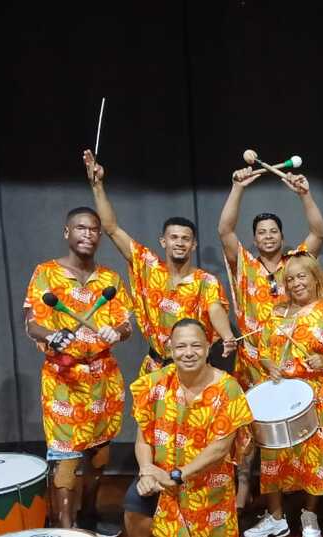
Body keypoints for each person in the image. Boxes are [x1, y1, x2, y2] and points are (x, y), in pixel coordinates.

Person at [218, 164, 323, 509]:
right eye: (262, 232)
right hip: (252, 356)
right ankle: (246, 483)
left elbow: (318, 233)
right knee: (249, 425)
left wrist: (304, 194)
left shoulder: (295, 263)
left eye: (273, 231)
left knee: (297, 419)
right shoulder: (244, 264)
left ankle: (299, 491)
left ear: (282, 236)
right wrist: (237, 187)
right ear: (255, 239)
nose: (268, 236)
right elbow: (224, 230)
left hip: (290, 358)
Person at [23, 207, 133, 537]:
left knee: (99, 453)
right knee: (66, 455)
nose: (87, 234)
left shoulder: (110, 279)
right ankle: (66, 528)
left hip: (103, 379)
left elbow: (125, 322)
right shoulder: (46, 273)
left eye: (94, 230)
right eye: (80, 228)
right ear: (67, 233)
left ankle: (89, 513)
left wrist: (120, 332)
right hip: (64, 379)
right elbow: (32, 322)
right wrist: (51, 335)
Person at [124, 319, 254, 537]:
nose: (188, 352)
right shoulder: (154, 384)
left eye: (196, 345)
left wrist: (178, 475)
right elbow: (143, 437)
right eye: (181, 346)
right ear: (170, 350)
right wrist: (147, 470)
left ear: (208, 348)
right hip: (159, 472)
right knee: (135, 500)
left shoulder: (228, 389)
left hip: (205, 480)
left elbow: (219, 449)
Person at [83, 149, 235, 376]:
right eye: (174, 238)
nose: (180, 243)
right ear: (163, 241)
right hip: (155, 370)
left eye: (186, 239)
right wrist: (97, 186)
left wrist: (227, 336)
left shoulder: (206, 281)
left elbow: (215, 308)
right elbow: (111, 228)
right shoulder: (148, 265)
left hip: (193, 371)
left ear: (193, 245)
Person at [242, 253, 323, 537]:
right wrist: (270, 366)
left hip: (318, 395)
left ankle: (309, 512)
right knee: (274, 455)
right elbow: (264, 352)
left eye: (301, 276)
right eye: (290, 278)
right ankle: (277, 518)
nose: (296, 283)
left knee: (313, 457)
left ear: (315, 277)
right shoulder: (276, 315)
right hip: (281, 395)